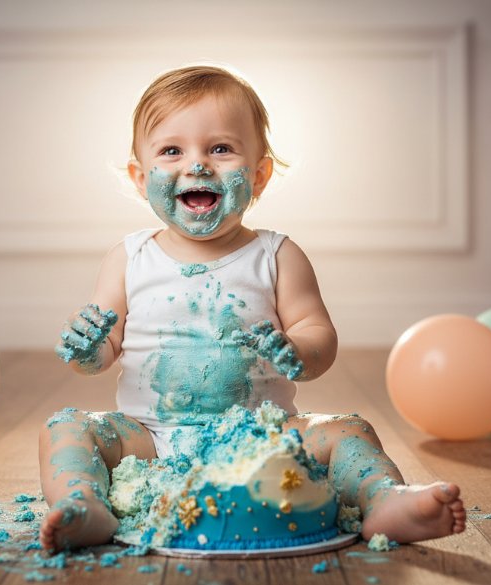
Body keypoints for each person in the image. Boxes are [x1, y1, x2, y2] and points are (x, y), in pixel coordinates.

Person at [40, 64, 466, 552]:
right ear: (141, 177)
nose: (197, 165)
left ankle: (384, 499)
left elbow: (318, 337)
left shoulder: (277, 255)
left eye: (220, 149)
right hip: (151, 441)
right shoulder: (130, 257)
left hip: (267, 440)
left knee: (348, 429)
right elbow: (102, 354)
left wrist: (297, 349)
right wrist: (87, 348)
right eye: (171, 150)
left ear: (260, 174)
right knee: (67, 427)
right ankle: (82, 503)